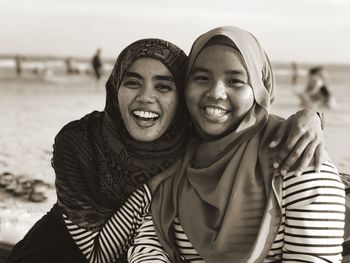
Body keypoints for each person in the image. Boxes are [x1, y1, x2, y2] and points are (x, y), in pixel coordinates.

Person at [7, 38, 325, 263]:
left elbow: (246, 123)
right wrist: (156, 185)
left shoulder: (191, 136)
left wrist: (309, 118)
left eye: (163, 86)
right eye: (132, 83)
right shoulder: (78, 142)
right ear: (115, 87)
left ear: (182, 98)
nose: (146, 97)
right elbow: (97, 254)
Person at [126, 26, 345, 262]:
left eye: (235, 81)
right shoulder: (177, 159)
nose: (216, 92)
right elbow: (148, 245)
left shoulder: (297, 156)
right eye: (201, 78)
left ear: (260, 89)